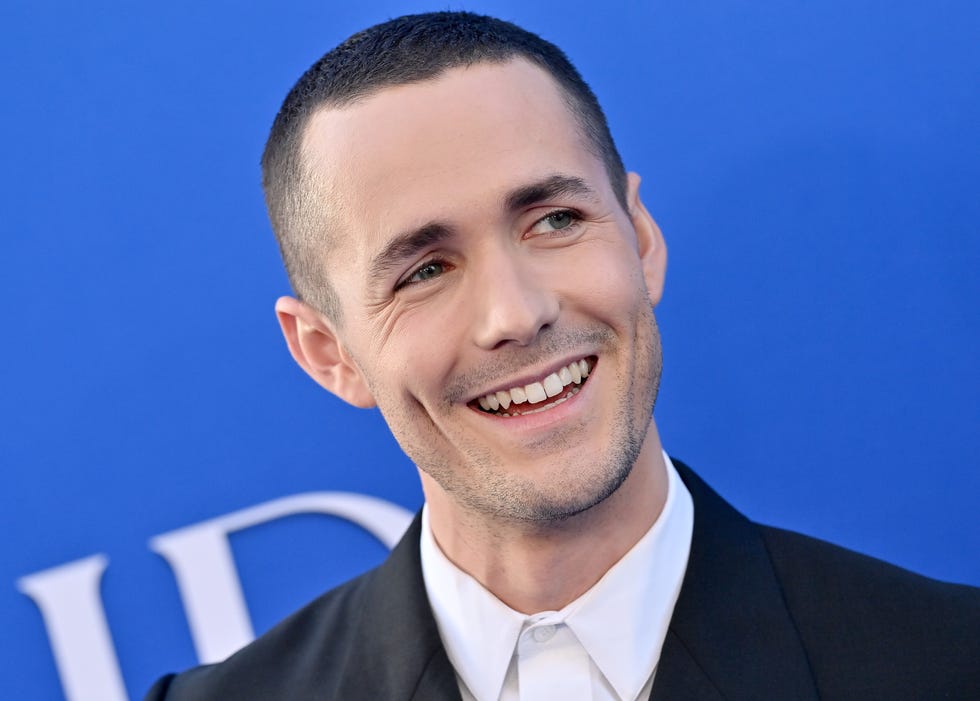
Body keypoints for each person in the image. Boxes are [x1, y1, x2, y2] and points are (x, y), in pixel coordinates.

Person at [145, 11, 980, 701]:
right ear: (330, 354)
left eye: (554, 220)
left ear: (641, 238)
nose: (516, 312)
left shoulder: (948, 664)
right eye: (425, 270)